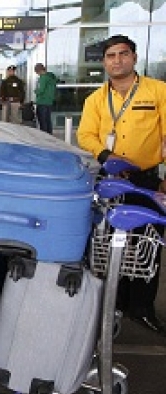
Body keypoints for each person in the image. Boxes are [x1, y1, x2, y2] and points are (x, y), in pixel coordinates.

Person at [77, 34, 166, 336]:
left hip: (148, 180)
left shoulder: (158, 92)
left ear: (134, 57)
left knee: (148, 242)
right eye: (111, 56)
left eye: (123, 54)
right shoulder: (96, 100)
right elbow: (85, 135)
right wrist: (107, 155)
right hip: (110, 181)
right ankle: (114, 305)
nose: (117, 60)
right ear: (104, 62)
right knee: (111, 242)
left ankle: (141, 308)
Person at [34, 63, 58, 134]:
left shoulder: (43, 78)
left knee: (42, 121)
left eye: (36, 72)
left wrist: (36, 91)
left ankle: (43, 136)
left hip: (42, 102)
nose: (37, 74)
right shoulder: (51, 77)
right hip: (49, 102)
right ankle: (49, 135)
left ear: (39, 70)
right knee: (48, 120)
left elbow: (41, 90)